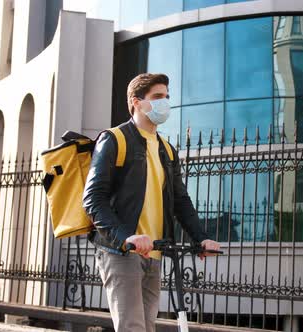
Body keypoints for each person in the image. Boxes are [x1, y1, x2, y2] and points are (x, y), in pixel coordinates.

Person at [82, 73, 220, 332]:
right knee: (132, 327)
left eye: (167, 97)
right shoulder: (114, 139)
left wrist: (201, 238)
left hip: (154, 251)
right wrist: (126, 237)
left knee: (146, 327)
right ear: (136, 101)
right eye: (157, 97)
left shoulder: (166, 149)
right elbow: (93, 199)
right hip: (121, 251)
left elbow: (181, 200)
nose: (164, 103)